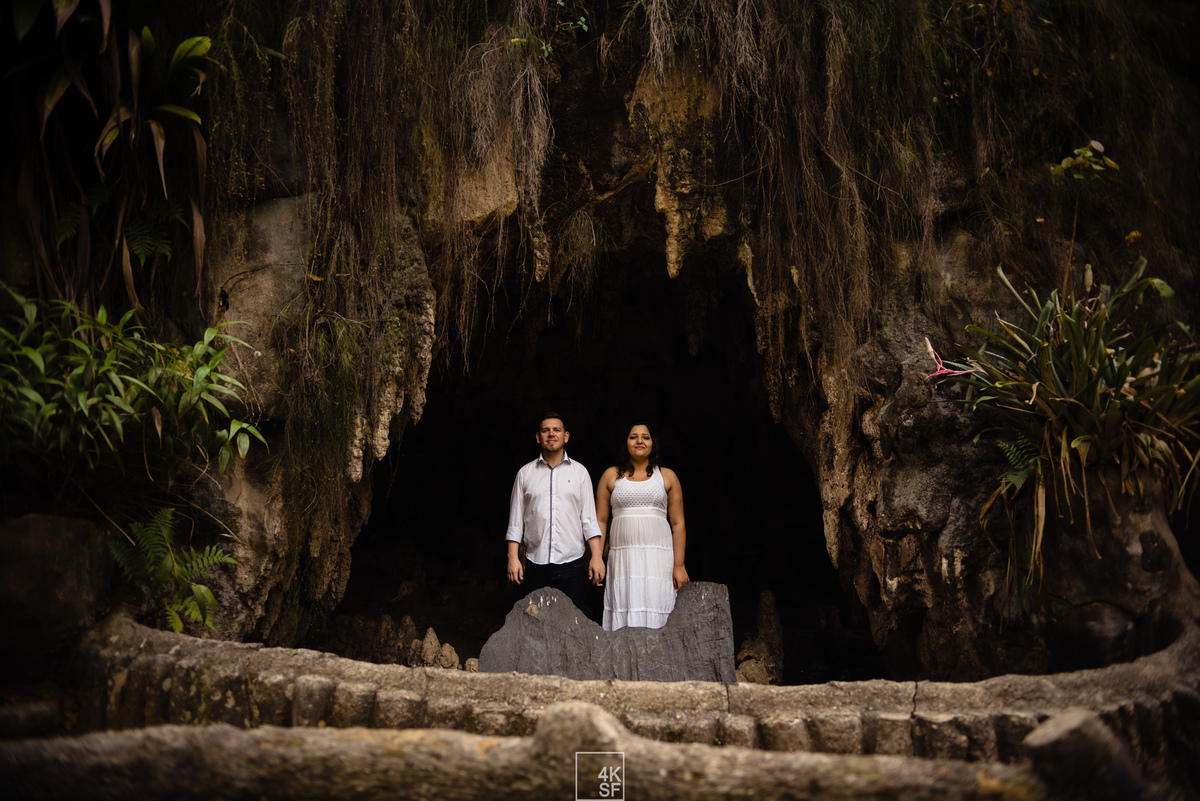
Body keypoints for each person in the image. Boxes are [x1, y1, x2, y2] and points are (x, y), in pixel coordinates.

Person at [505, 413, 605, 611]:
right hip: (536, 564)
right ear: (538, 437)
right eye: (546, 430)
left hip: (572, 564)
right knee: (535, 623)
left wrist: (596, 557)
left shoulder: (580, 472)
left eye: (556, 430)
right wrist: (513, 558)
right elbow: (516, 522)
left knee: (571, 624)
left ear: (566, 436)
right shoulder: (525, 474)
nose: (551, 434)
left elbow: (589, 521)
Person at [595, 422, 689, 631]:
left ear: (653, 443)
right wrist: (597, 558)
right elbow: (600, 521)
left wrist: (679, 566)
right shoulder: (611, 476)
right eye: (633, 437)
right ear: (625, 443)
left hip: (659, 560)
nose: (639, 441)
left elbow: (678, 523)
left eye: (645, 437)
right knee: (625, 606)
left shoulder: (667, 476)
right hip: (623, 559)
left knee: (657, 607)